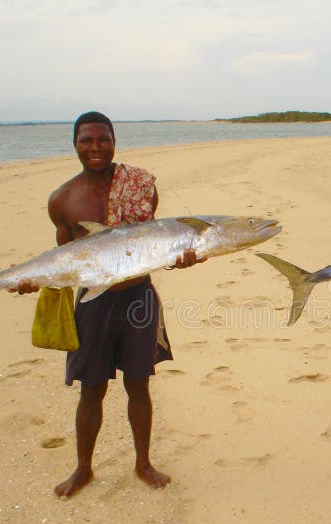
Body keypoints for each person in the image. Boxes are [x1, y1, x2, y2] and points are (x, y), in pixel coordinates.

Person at [11, 111, 203, 498]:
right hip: (93, 303)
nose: (95, 147)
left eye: (103, 139)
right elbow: (65, 256)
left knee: (139, 384)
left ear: (115, 141)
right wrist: (37, 280)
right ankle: (83, 469)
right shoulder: (62, 199)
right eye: (86, 140)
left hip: (138, 298)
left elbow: (152, 241)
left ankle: (143, 463)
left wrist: (182, 257)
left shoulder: (140, 185)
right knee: (91, 389)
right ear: (75, 144)